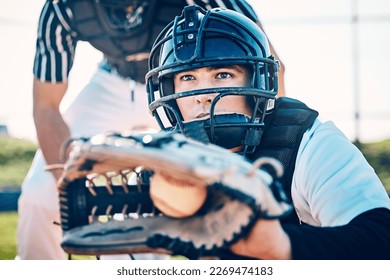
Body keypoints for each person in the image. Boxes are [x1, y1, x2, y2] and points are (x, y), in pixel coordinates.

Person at [17, 0, 285, 260]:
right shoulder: (63, 6)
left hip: (182, 86)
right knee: (41, 194)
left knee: (151, 213)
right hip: (112, 83)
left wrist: (262, 154)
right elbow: (45, 105)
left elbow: (268, 66)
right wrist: (69, 183)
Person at [145, 5, 390, 259]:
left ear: (258, 82)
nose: (203, 96)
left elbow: (381, 240)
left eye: (223, 74)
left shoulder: (307, 142)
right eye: (187, 78)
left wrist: (281, 246)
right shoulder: (163, 164)